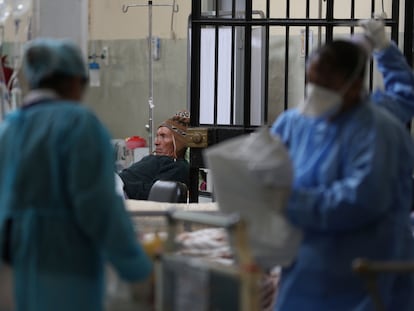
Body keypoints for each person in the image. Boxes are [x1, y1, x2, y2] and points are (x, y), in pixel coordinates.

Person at [0, 38, 152, 311]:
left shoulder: (11, 127)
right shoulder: (79, 124)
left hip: (18, 266)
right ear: (74, 82)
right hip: (67, 264)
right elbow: (98, 207)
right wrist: (137, 267)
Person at [270, 38, 414, 311]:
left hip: (363, 277)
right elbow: (265, 167)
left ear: (354, 85)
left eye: (326, 85)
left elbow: (361, 199)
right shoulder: (294, 124)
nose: (315, 92)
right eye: (312, 82)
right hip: (303, 277)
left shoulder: (379, 132)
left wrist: (288, 201)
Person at [119, 110, 190, 200]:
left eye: (163, 136)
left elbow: (151, 194)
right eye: (157, 136)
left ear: (178, 142)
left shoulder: (177, 166)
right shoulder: (153, 158)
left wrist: (125, 181)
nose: (156, 142)